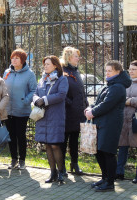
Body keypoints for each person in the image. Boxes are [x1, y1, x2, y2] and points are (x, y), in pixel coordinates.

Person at [85, 60, 131, 192]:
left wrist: (92, 112)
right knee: (99, 151)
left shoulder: (118, 87)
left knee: (108, 152)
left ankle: (110, 182)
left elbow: (107, 104)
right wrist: (90, 107)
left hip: (111, 124)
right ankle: (105, 178)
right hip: (101, 123)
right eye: (106, 70)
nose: (107, 73)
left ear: (118, 72)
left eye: (110, 70)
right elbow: (99, 101)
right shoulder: (110, 85)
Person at [33, 55, 68, 183]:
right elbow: (35, 93)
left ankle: (61, 172)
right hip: (43, 116)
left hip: (55, 116)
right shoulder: (42, 79)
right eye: (45, 64)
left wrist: (45, 100)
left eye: (48, 64)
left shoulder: (61, 79)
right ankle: (52, 173)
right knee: (47, 144)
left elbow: (61, 95)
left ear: (55, 65)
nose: (45, 66)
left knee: (54, 145)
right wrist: (37, 100)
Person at [3, 48, 37, 170]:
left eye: (17, 58)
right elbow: (3, 87)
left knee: (20, 135)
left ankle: (22, 160)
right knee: (11, 135)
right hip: (8, 110)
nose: (14, 60)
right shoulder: (7, 72)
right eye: (12, 58)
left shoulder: (29, 74)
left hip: (22, 110)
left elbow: (34, 90)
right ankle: (13, 160)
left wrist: (26, 100)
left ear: (22, 60)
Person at [60, 47, 88, 176]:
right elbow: (60, 92)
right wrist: (70, 103)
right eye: (76, 56)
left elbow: (80, 91)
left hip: (78, 112)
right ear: (69, 57)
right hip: (66, 113)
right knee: (63, 141)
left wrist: (85, 105)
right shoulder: (62, 71)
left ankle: (74, 163)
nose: (78, 58)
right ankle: (61, 166)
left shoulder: (76, 72)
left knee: (74, 140)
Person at [116, 60, 137, 184]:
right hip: (123, 120)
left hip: (135, 120)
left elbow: (125, 100)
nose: (131, 71)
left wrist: (130, 101)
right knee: (122, 146)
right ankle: (119, 172)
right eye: (130, 69)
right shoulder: (125, 83)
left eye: (134, 69)